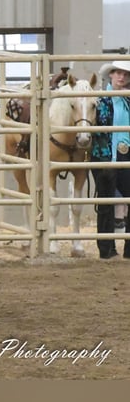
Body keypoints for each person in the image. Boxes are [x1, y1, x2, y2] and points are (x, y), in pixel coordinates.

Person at [90, 59, 130, 260]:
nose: (121, 77)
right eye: (118, 73)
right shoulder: (101, 99)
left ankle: (127, 249)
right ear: (111, 75)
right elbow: (101, 125)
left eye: (125, 74)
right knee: (106, 203)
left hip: (125, 154)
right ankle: (107, 250)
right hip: (105, 155)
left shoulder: (127, 99)